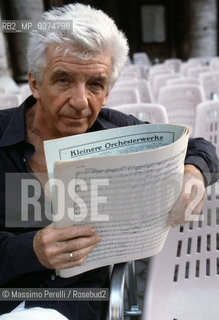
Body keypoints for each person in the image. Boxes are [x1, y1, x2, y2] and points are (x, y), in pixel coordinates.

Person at [0, 3, 218, 320]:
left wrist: (193, 172)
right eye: (63, 80)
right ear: (35, 82)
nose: (80, 102)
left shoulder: (116, 131)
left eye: (95, 84)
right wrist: (30, 251)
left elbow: (201, 146)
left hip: (76, 305)